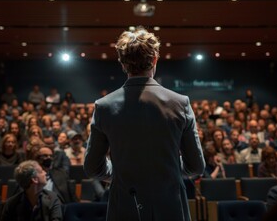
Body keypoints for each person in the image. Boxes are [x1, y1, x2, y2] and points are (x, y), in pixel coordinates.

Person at [84, 27, 205, 221]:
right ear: (155, 59)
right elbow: (196, 166)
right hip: (170, 207)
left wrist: (120, 172)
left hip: (124, 207)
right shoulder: (180, 103)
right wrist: (168, 169)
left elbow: (92, 167)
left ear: (122, 64)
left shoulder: (103, 106)